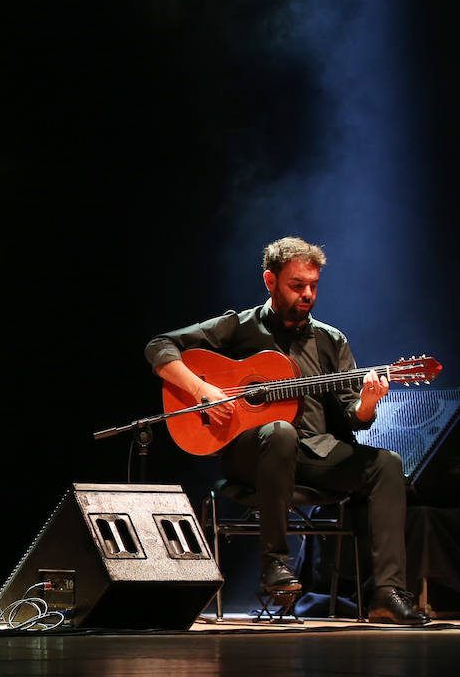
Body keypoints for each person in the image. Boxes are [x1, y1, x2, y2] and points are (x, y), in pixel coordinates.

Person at [144, 236, 429, 625]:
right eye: (297, 286)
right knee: (279, 431)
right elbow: (160, 346)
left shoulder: (331, 341)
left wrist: (366, 404)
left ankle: (386, 593)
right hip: (251, 456)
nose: (307, 294)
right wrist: (202, 389)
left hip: (315, 454)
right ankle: (275, 565)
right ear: (270, 281)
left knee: (388, 464)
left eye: (313, 286)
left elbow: (351, 416)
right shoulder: (238, 327)